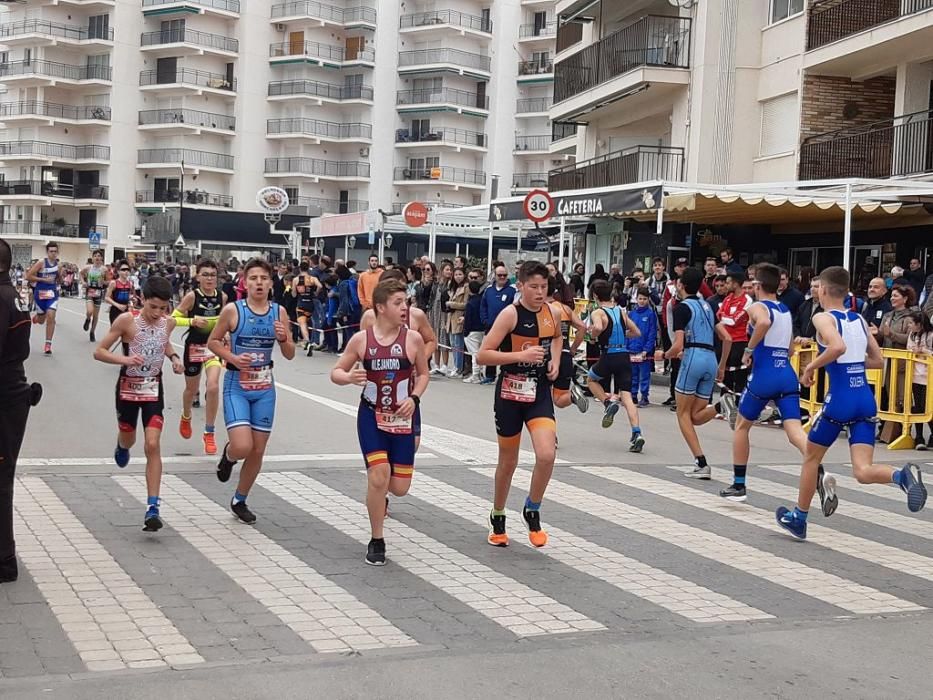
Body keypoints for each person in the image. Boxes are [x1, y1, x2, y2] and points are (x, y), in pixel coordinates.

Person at [776, 266, 927, 540]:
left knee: (811, 458)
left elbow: (836, 348)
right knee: (862, 471)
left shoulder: (824, 318)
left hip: (841, 399)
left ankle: (799, 517)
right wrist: (853, 366)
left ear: (822, 289)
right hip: (864, 399)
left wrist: (811, 369)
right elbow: (878, 360)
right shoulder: (858, 319)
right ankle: (901, 477)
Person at [720, 263, 836, 513]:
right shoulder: (784, 309)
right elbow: (792, 347)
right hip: (786, 372)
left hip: (765, 374)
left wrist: (749, 350)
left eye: (753, 284)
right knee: (793, 429)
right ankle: (818, 468)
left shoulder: (757, 307)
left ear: (759, 286)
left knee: (741, 426)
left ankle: (738, 484)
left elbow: (761, 323)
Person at [331, 280, 429, 565]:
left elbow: (423, 374)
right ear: (381, 308)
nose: (404, 308)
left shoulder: (412, 339)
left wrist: (415, 397)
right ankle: (377, 539)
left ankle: (381, 494)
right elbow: (336, 371)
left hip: (401, 419)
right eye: (398, 302)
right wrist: (348, 377)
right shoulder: (362, 340)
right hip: (371, 415)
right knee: (378, 475)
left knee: (399, 488)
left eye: (406, 302)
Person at [478, 261, 561, 548]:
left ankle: (532, 508)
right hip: (510, 393)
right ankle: (498, 515)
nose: (540, 292)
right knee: (508, 461)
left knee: (547, 454)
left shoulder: (552, 312)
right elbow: (483, 355)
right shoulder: (510, 315)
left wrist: (557, 362)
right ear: (521, 287)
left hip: (538, 393)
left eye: (544, 287)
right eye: (534, 287)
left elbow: (558, 338)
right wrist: (518, 357)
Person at [94, 276, 184, 531]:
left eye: (163, 308)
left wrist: (175, 358)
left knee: (152, 444)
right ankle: (122, 446)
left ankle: (153, 507)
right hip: (128, 388)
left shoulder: (169, 322)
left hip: (154, 388)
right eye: (153, 307)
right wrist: (125, 361)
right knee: (129, 437)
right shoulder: (127, 321)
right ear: (142, 299)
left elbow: (163, 343)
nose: (157, 313)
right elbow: (99, 351)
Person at [210, 258, 296, 524]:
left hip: (265, 386)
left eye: (264, 278)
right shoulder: (233, 311)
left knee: (258, 449)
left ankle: (240, 499)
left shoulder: (279, 312)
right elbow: (213, 342)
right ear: (244, 282)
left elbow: (290, 354)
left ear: (271, 283)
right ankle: (228, 455)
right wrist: (232, 358)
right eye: (253, 278)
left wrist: (283, 338)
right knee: (243, 446)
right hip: (237, 384)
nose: (259, 283)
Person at [0, 238, 41, 583]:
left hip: (6, 396)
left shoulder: (2, 299)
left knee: (1, 480)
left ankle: (4, 560)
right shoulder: (13, 296)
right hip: (15, 394)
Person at [664, 268, 719, 478]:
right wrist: (721, 366)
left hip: (693, 357)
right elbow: (725, 336)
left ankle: (701, 462)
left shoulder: (681, 308)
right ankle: (722, 405)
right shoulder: (707, 305)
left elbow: (677, 345)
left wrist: (664, 354)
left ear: (680, 284)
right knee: (695, 416)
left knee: (682, 414)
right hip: (711, 358)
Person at [583, 280, 644, 452]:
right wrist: (620, 334)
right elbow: (636, 332)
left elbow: (598, 327)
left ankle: (607, 402)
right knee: (627, 397)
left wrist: (593, 335)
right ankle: (637, 433)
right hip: (624, 355)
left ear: (595, 296)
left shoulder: (598, 312)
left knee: (591, 379)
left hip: (609, 355)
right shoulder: (621, 311)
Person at [173, 259, 227, 455]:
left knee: (212, 386)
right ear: (198, 277)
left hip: (213, 347)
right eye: (205, 275)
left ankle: (209, 432)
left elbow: (225, 321)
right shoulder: (191, 297)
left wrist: (226, 332)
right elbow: (172, 319)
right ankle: (186, 416)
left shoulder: (222, 297)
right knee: (191, 389)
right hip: (194, 347)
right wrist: (192, 320)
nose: (209, 279)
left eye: (213, 275)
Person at [548, 275, 588, 413]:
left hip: (547, 355)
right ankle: (572, 396)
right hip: (565, 355)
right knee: (559, 399)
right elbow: (583, 327)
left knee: (541, 396)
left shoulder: (542, 308)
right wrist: (573, 349)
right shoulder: (565, 309)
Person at [479, 264, 516, 384]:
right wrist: (485, 320)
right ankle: (490, 375)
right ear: (495, 276)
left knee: (507, 352)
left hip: (507, 329)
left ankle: (506, 373)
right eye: (499, 275)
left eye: (504, 275)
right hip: (491, 327)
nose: (502, 277)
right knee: (491, 351)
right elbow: (483, 306)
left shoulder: (512, 290)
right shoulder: (488, 290)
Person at [26, 242, 61, 355]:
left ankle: (48, 344)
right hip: (40, 294)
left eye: (55, 251)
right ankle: (37, 318)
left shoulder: (58, 265)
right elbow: (28, 276)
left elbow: (58, 279)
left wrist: (61, 279)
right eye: (51, 251)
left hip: (52, 295)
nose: (53, 254)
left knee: (51, 316)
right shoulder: (41, 263)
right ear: (47, 252)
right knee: (41, 321)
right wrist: (43, 280)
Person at [906, 311, 933, 451]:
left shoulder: (930, 335)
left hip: (929, 376)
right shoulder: (912, 335)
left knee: (927, 407)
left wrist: (923, 351)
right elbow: (909, 349)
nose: (909, 326)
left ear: (919, 324)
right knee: (917, 407)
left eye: (911, 323)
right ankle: (919, 437)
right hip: (915, 375)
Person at [629, 288, 658, 407]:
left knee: (644, 375)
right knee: (633, 374)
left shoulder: (651, 314)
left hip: (644, 351)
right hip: (632, 349)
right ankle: (633, 395)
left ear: (648, 300)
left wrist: (647, 349)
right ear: (636, 299)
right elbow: (628, 331)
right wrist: (626, 347)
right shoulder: (631, 314)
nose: (642, 301)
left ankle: (644, 396)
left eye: (644, 299)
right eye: (640, 298)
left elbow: (652, 333)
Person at [292, 262, 322, 353]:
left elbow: (293, 294)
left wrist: (296, 292)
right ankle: (314, 341)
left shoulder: (296, 280)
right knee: (313, 321)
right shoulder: (312, 278)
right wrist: (316, 292)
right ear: (308, 269)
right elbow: (320, 286)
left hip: (301, 304)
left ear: (300, 269)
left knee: (303, 324)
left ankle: (307, 340)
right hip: (311, 303)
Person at [81, 249, 109, 343]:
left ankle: (92, 332)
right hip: (90, 291)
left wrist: (103, 282)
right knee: (90, 311)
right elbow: (81, 274)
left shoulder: (104, 269)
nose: (97, 257)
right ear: (92, 258)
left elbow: (108, 281)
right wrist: (83, 282)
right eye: (95, 256)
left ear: (101, 258)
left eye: (99, 256)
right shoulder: (88, 268)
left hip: (98, 292)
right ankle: (88, 319)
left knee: (96, 315)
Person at [445, 267, 469, 378]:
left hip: (459, 317)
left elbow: (465, 304)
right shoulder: (453, 287)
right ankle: (455, 365)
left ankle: (459, 368)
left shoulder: (466, 287)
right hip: (450, 318)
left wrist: (452, 304)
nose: (458, 276)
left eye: (460, 274)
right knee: (453, 344)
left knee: (458, 344)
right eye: (456, 275)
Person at [462, 278, 485, 384]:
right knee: (480, 352)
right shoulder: (482, 300)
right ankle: (481, 373)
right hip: (482, 329)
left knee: (474, 353)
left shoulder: (470, 303)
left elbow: (468, 319)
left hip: (472, 331)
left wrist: (465, 331)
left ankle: (475, 374)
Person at [106, 261, 136, 327]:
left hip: (126, 311)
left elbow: (129, 297)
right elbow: (106, 298)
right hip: (115, 311)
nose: (126, 271)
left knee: (126, 333)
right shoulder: (114, 283)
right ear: (118, 271)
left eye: (128, 270)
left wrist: (132, 300)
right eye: (123, 270)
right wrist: (118, 305)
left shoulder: (130, 284)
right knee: (115, 333)